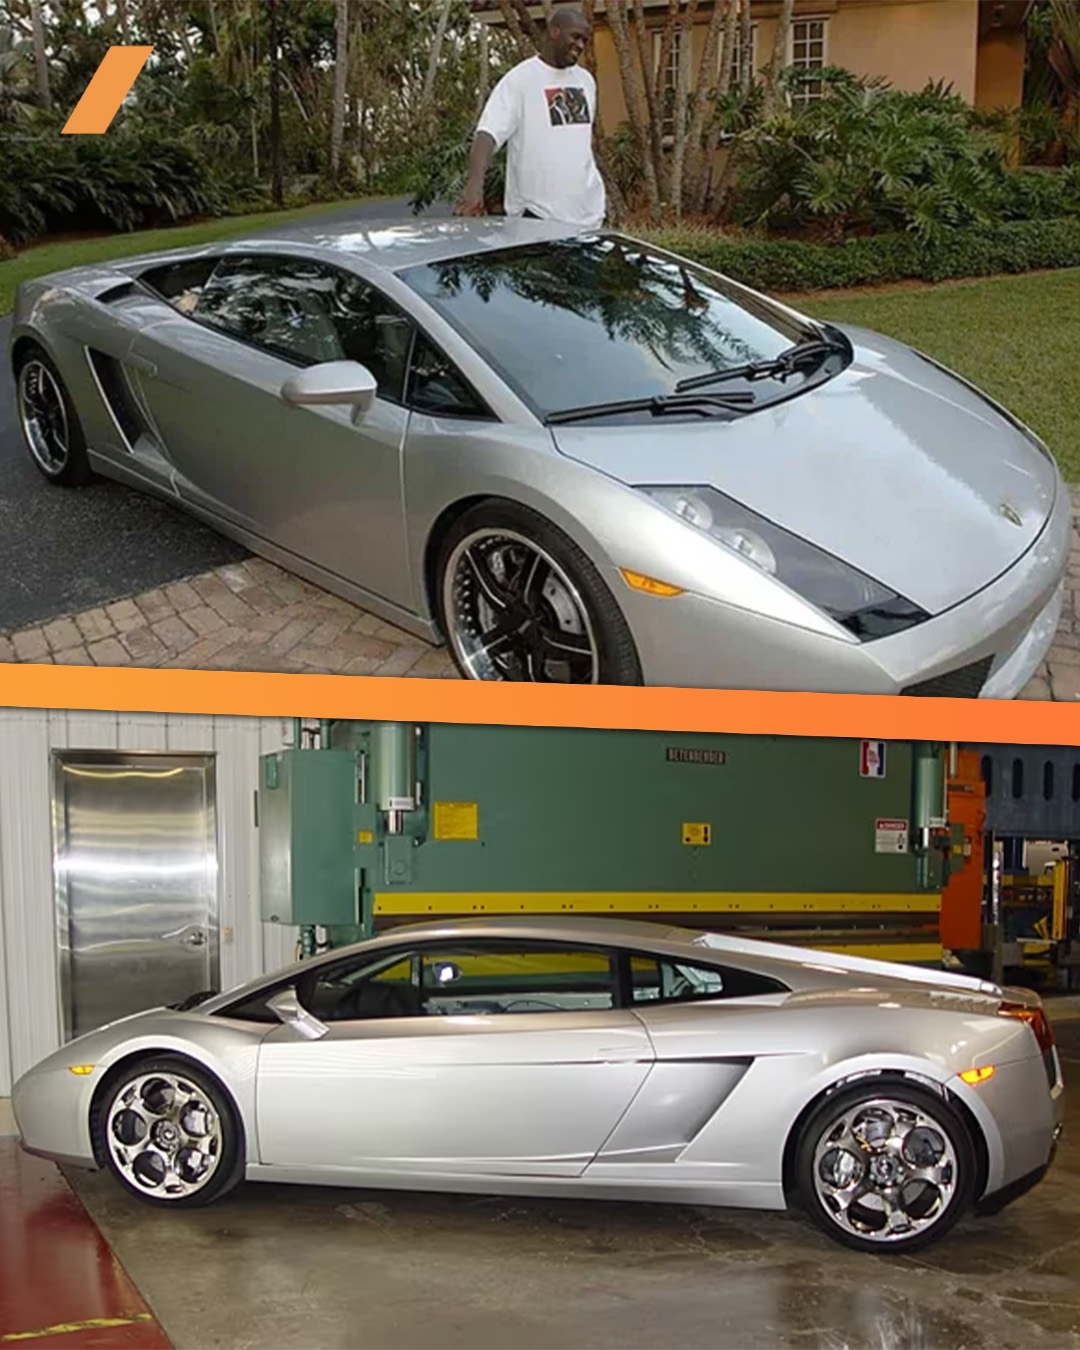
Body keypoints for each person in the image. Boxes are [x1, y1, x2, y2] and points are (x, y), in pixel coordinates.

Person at [454, 6, 605, 229]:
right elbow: (487, 135)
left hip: (588, 218)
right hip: (536, 218)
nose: (580, 46)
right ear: (555, 32)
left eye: (584, 40)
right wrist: (474, 187)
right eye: (575, 37)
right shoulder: (520, 80)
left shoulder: (586, 82)